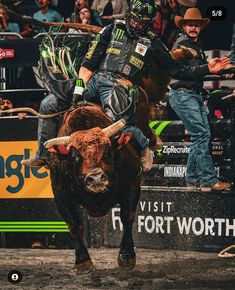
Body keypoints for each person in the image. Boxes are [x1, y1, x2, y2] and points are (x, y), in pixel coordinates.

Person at [21, 0, 230, 173]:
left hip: (122, 86)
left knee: (114, 124)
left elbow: (176, 70)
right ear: (130, 15)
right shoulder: (110, 30)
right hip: (96, 79)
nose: (139, 25)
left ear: (149, 22)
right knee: (48, 103)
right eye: (137, 20)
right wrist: (77, 89)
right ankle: (42, 155)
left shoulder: (152, 42)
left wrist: (206, 69)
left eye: (144, 22)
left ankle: (143, 143)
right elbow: (88, 63)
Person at [168, 8, 231, 192]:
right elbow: (189, 70)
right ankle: (208, 180)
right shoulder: (183, 45)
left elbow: (199, 69)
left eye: (197, 25)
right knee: (202, 135)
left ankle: (193, 180)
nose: (194, 27)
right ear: (184, 26)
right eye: (190, 24)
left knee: (200, 136)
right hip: (183, 94)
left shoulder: (196, 45)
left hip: (191, 94)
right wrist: (210, 68)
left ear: (200, 27)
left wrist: (217, 68)